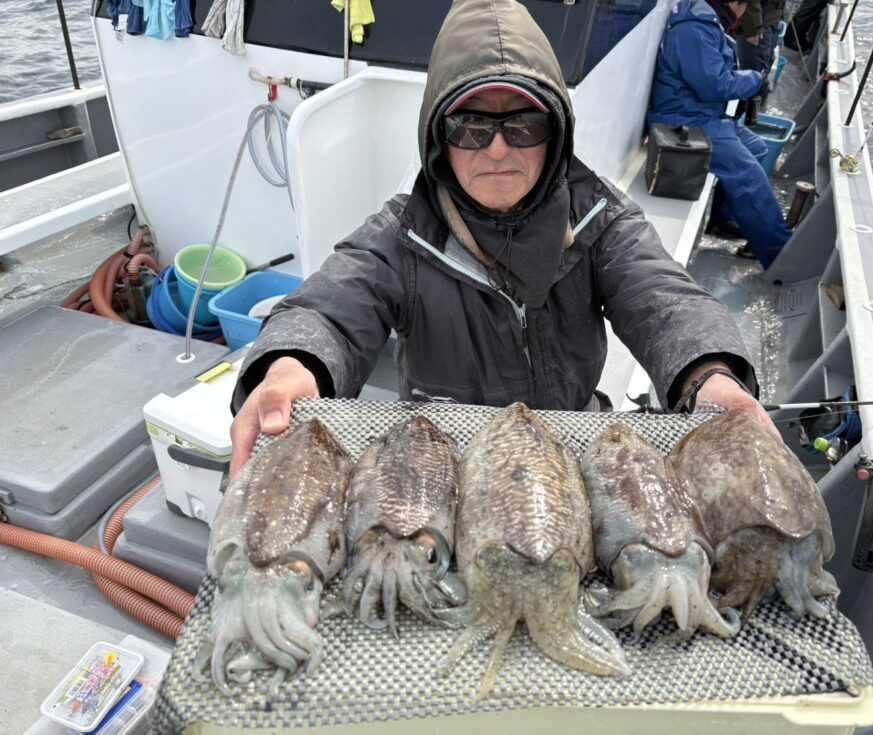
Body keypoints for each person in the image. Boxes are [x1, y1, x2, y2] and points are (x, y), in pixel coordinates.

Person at [229, 0, 776, 476]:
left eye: (523, 124)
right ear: (439, 137)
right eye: (470, 125)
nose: (496, 149)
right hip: (442, 462)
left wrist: (711, 376)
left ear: (555, 132)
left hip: (571, 447)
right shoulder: (402, 236)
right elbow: (328, 311)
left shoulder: (600, 217)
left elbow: (664, 301)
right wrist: (292, 367)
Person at [647, 0, 792, 268]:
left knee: (757, 148)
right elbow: (713, 85)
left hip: (704, 115)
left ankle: (723, 220)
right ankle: (781, 254)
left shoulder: (707, 23)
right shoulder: (694, 32)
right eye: (745, 5)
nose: (745, 12)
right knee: (747, 173)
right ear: (732, 4)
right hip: (684, 121)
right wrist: (756, 80)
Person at [736, 0, 786, 78]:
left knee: (765, 66)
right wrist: (752, 25)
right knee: (754, 75)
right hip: (759, 22)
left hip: (772, 17)